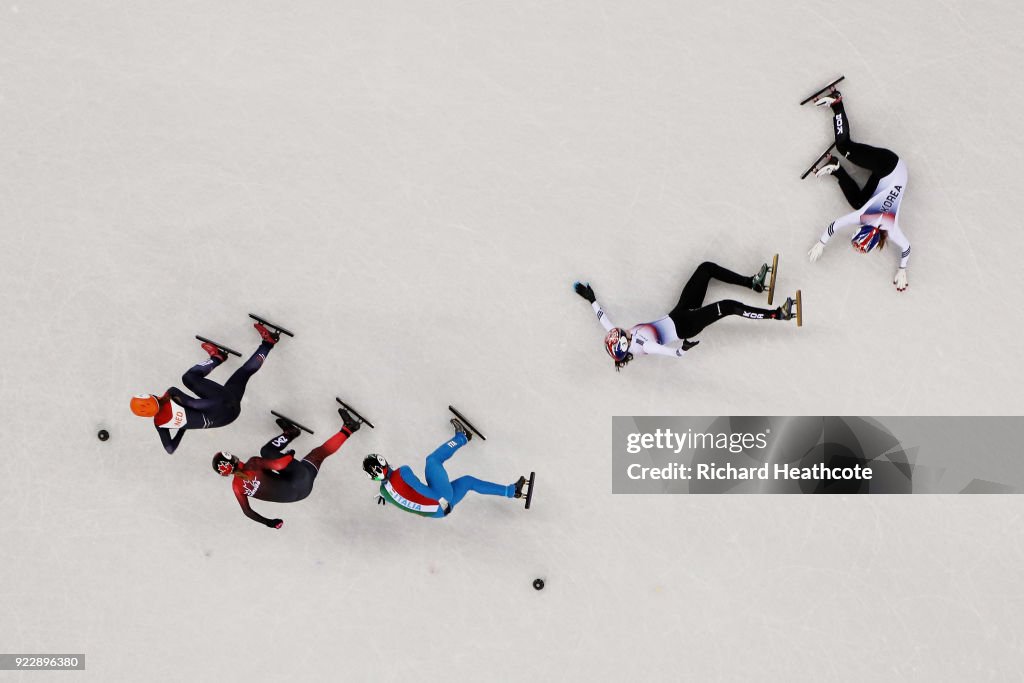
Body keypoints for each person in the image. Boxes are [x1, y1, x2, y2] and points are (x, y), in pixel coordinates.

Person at [573, 260, 797, 371]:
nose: (621, 328)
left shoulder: (619, 338)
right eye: (622, 332)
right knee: (729, 306)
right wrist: (683, 349)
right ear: (625, 342)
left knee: (705, 269)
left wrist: (592, 299)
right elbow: (668, 353)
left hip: (679, 312)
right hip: (687, 325)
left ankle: (752, 283)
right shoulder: (642, 345)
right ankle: (778, 314)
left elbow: (604, 321)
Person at [807, 87, 911, 292]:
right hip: (888, 164)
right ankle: (837, 103)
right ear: (860, 230)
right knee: (844, 146)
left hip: (892, 175)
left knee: (858, 202)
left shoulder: (891, 229)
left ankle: (837, 168)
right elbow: (834, 226)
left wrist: (903, 269)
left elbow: (907, 248)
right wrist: (821, 243)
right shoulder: (864, 216)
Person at [130, 322, 281, 454]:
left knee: (243, 374)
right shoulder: (171, 395)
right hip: (221, 404)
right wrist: (174, 395)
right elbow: (193, 404)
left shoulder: (159, 424)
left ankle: (268, 343)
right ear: (152, 398)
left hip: (229, 416)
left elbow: (170, 449)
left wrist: (183, 427)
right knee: (189, 378)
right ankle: (217, 357)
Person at [213, 407, 362, 528]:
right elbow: (279, 465)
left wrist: (269, 522)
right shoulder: (253, 464)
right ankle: (291, 433)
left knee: (318, 455)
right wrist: (289, 455)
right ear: (233, 458)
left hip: (302, 493)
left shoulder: (236, 487)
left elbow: (247, 512)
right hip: (298, 479)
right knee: (266, 451)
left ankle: (348, 429)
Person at [364, 419, 527, 518]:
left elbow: (401, 499)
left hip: (439, 513)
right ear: (383, 461)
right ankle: (462, 436)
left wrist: (384, 494)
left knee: (468, 481)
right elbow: (420, 488)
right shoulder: (402, 472)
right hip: (441, 500)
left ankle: (512, 491)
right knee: (432, 460)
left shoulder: (384, 491)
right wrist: (441, 500)